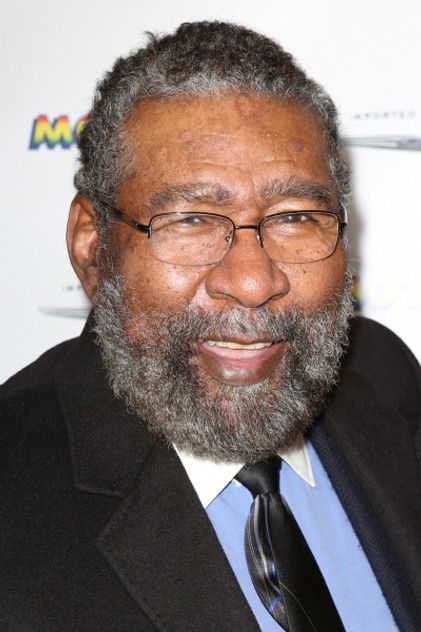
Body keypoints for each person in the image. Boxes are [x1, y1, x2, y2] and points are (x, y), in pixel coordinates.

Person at [1, 21, 420, 632]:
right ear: (92, 247)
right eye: (191, 219)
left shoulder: (382, 375)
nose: (252, 282)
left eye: (295, 216)